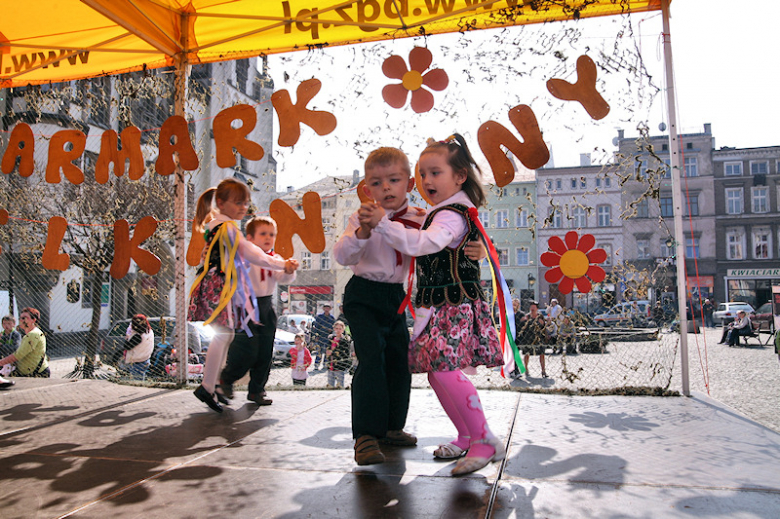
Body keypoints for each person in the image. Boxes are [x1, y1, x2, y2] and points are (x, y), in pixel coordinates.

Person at [360, 134, 505, 476]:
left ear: (459, 177)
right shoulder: (445, 211)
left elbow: (427, 243)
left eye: (435, 173)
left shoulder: (451, 213)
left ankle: (483, 438)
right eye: (423, 174)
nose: (426, 181)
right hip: (438, 305)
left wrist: (383, 224)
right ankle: (468, 434)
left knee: (444, 371)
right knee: (438, 374)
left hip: (452, 304)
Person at [187, 179, 297, 413]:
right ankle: (209, 385)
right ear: (221, 203)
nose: (243, 207)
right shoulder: (227, 228)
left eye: (245, 203)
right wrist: (282, 263)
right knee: (224, 336)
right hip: (223, 286)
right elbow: (254, 254)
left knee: (224, 336)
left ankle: (214, 384)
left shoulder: (217, 224)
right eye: (238, 203)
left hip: (222, 284)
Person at [218, 216, 298, 407]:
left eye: (272, 234)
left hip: (266, 306)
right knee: (246, 350)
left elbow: (283, 278)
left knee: (265, 352)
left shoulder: (275, 258)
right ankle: (226, 380)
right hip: (245, 307)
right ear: (250, 238)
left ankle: (257, 390)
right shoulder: (246, 255)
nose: (268, 238)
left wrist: (289, 270)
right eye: (263, 234)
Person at [0, 307, 49, 377]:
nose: (21, 320)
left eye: (24, 318)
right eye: (20, 318)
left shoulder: (33, 334)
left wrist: (1, 363)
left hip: (37, 374)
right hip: (28, 374)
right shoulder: (29, 334)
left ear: (33, 320)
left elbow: (18, 355)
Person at [118, 314, 154, 380]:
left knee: (137, 381)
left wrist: (128, 336)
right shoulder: (149, 331)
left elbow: (127, 346)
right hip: (145, 359)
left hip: (137, 362)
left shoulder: (138, 336)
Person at [326, 320, 352, 388]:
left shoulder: (344, 340)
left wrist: (332, 353)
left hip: (339, 365)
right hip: (330, 365)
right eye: (336, 328)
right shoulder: (331, 338)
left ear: (343, 330)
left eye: (340, 329)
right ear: (334, 329)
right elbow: (327, 348)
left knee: (340, 385)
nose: (338, 330)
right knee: (330, 385)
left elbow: (345, 353)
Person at [311, 304, 336, 369]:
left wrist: (332, 331)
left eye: (328, 308)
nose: (326, 309)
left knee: (327, 351)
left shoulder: (332, 318)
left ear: (330, 309)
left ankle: (325, 363)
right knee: (319, 351)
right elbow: (316, 327)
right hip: (320, 336)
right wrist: (315, 335)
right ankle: (317, 364)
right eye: (325, 308)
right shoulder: (319, 317)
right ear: (323, 309)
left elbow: (334, 327)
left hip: (328, 336)